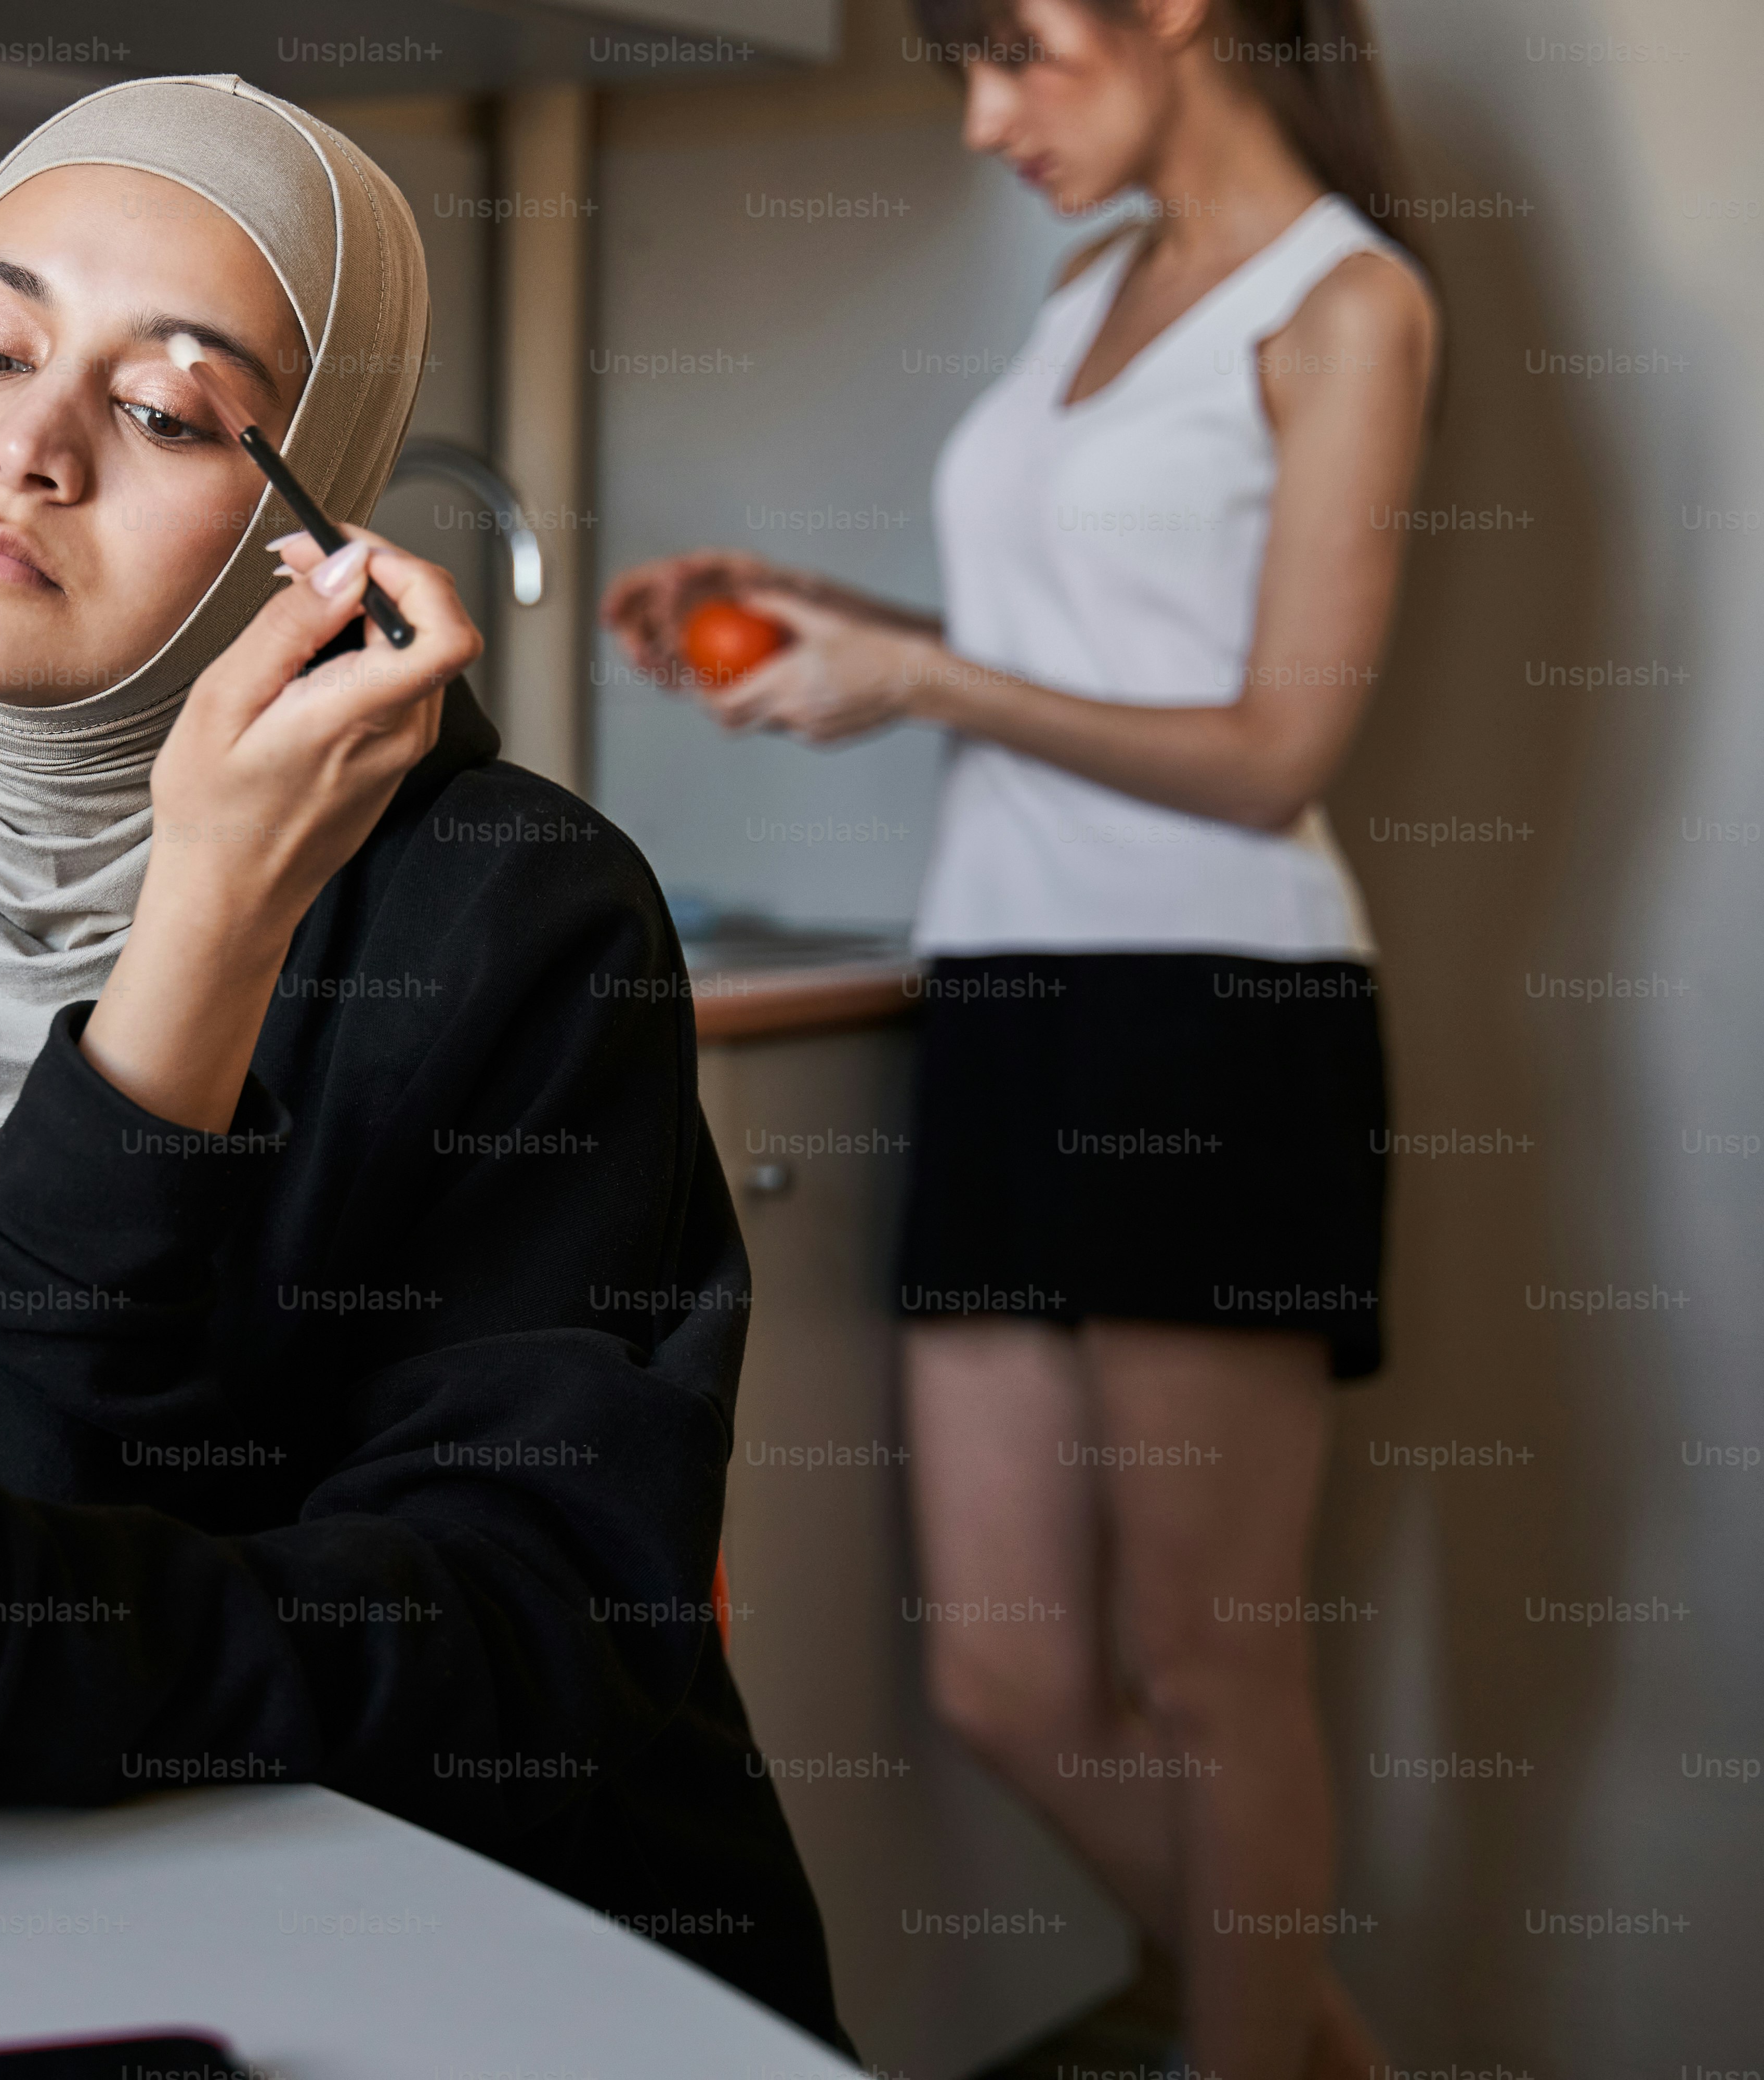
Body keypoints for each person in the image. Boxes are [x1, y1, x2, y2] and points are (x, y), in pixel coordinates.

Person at [0, 74, 847, 2047]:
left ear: (309, 525)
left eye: (168, 412)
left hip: (475, 1968)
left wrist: (201, 941)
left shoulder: (509, 915)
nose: (31, 443)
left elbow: (537, 1651)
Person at [600, 4, 1435, 2077]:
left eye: (1014, 57)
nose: (984, 122)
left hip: (1219, 1014)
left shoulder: (1351, 304)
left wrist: (914, 684)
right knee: (1001, 1671)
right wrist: (815, 611)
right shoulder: (1093, 285)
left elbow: (1272, 748)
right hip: (1010, 997)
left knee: (1211, 1668)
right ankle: (1323, 2049)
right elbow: (1070, 652)